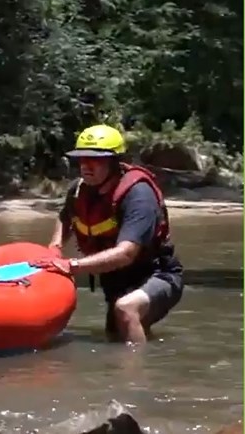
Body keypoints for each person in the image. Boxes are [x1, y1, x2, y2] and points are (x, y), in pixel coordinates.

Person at [30, 124, 183, 344]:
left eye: (95, 160)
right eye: (81, 159)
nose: (86, 166)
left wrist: (71, 265)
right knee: (115, 335)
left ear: (114, 162)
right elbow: (66, 218)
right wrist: (55, 247)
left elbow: (126, 254)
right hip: (114, 278)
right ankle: (146, 350)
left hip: (158, 274)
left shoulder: (138, 195)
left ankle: (137, 375)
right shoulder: (79, 190)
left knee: (127, 310)